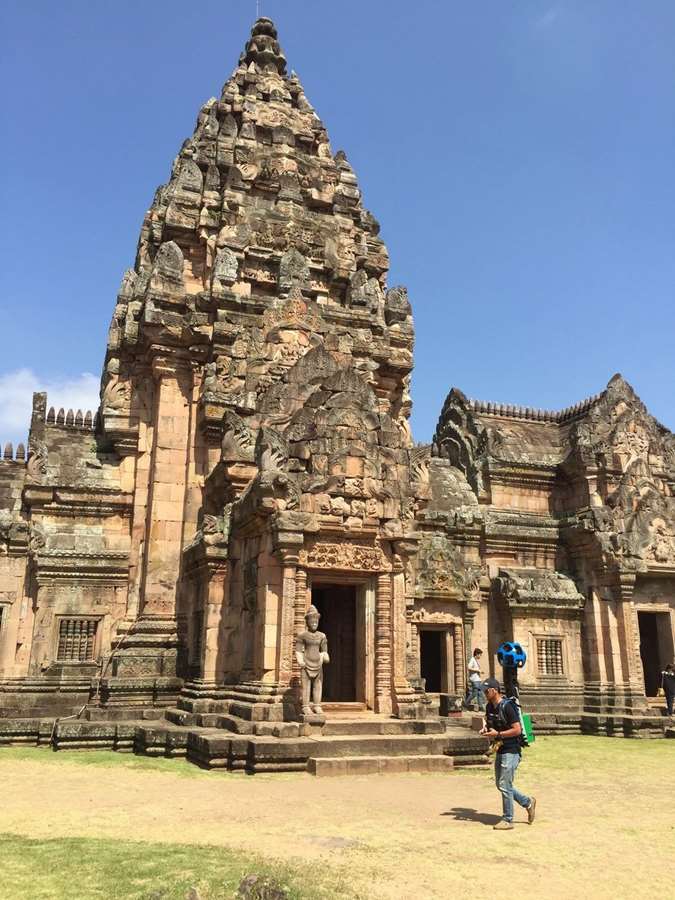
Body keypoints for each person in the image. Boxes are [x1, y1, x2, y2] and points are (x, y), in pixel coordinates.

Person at [481, 676, 536, 830]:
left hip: (511, 750)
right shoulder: (489, 707)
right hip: (500, 748)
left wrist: (497, 734)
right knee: (501, 784)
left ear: (494, 690)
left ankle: (507, 819)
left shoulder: (508, 706)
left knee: (505, 784)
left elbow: (517, 729)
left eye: (486, 691)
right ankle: (528, 802)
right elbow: (490, 724)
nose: (484, 693)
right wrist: (485, 730)